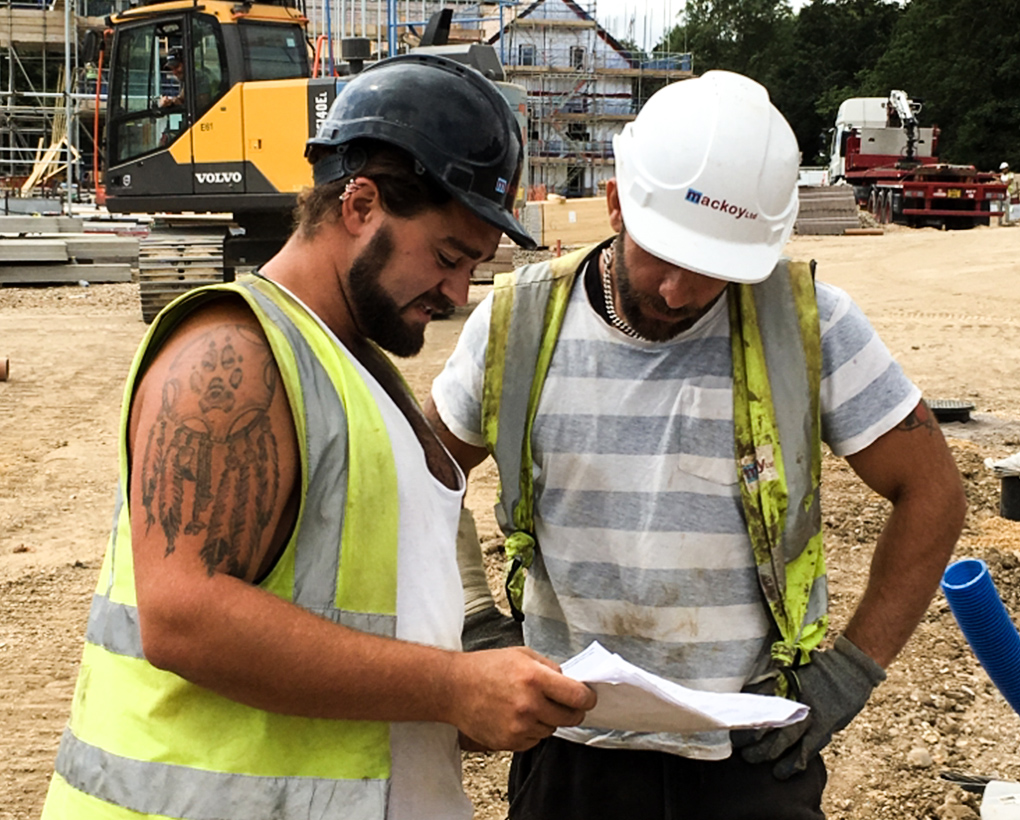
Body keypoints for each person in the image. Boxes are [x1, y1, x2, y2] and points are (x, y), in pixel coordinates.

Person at [41, 53, 596, 820]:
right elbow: (183, 616)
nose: (459, 292)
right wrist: (452, 686)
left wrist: (474, 695)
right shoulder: (233, 354)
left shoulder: (348, 365)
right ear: (360, 205)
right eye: (447, 256)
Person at [427, 70, 966, 819]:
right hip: (571, 746)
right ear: (617, 204)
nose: (679, 290)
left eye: (711, 270)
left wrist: (852, 671)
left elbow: (934, 491)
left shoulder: (809, 327)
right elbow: (427, 476)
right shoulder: (518, 326)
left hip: (750, 755)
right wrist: (476, 622)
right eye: (662, 256)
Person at [1000, 161, 1018, 226]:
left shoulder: (1011, 175)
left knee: (1007, 207)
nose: (1003, 170)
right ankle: (1000, 222)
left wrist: (1002, 184)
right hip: (1001, 193)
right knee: (999, 207)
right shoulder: (1001, 175)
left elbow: (1008, 182)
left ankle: (1007, 221)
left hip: (1007, 193)